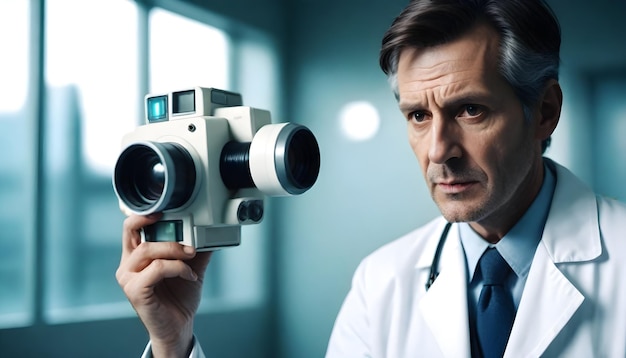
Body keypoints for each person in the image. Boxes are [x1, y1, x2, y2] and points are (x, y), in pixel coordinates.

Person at [116, 0, 626, 357]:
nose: (438, 151)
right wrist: (173, 342)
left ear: (545, 112)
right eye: (418, 116)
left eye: (469, 110)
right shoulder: (382, 281)